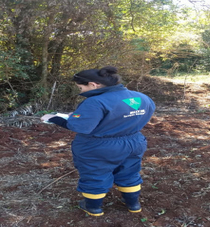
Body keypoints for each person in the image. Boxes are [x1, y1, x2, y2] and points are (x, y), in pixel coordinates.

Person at [41, 66, 155, 216]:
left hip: (99, 147)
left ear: (93, 85)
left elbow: (80, 126)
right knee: (129, 171)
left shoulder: (95, 102)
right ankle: (133, 205)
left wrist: (54, 118)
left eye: (80, 87)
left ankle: (93, 208)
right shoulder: (141, 97)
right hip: (135, 142)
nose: (80, 91)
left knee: (95, 173)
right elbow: (126, 115)